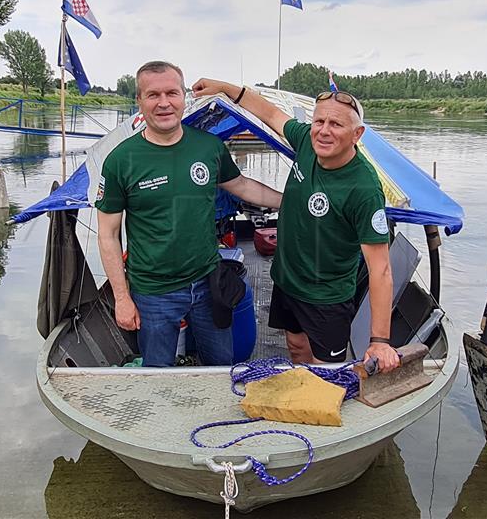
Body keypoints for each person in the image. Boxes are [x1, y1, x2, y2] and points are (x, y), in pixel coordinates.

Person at [191, 78, 400, 373]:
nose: (324, 131)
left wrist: (380, 340)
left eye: (337, 125)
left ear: (357, 134)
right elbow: (271, 114)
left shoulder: (364, 189)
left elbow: (381, 270)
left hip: (326, 297)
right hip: (288, 282)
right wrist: (224, 88)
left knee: (328, 372)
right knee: (296, 348)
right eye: (320, 121)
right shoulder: (306, 141)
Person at [96, 61, 282, 367]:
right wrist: (122, 298)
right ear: (139, 101)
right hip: (154, 291)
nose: (164, 103)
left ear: (184, 97)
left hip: (208, 282)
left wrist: (290, 202)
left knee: (220, 365)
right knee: (157, 372)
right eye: (153, 95)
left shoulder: (208, 147)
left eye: (172, 92)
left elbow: (242, 186)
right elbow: (108, 234)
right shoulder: (120, 160)